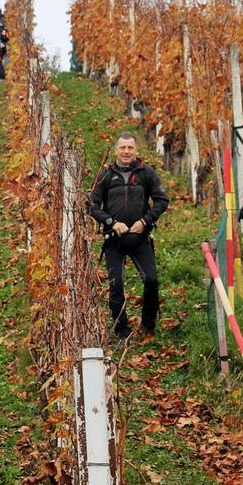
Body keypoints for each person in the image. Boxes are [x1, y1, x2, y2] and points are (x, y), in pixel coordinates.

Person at [88, 131, 168, 340]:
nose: (126, 151)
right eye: (122, 148)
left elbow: (162, 200)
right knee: (116, 286)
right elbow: (92, 206)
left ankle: (148, 326)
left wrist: (145, 222)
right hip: (114, 240)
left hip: (140, 239)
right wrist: (111, 223)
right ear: (116, 150)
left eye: (130, 148)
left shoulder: (146, 173)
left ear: (136, 150)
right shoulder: (105, 175)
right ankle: (121, 330)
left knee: (151, 280)